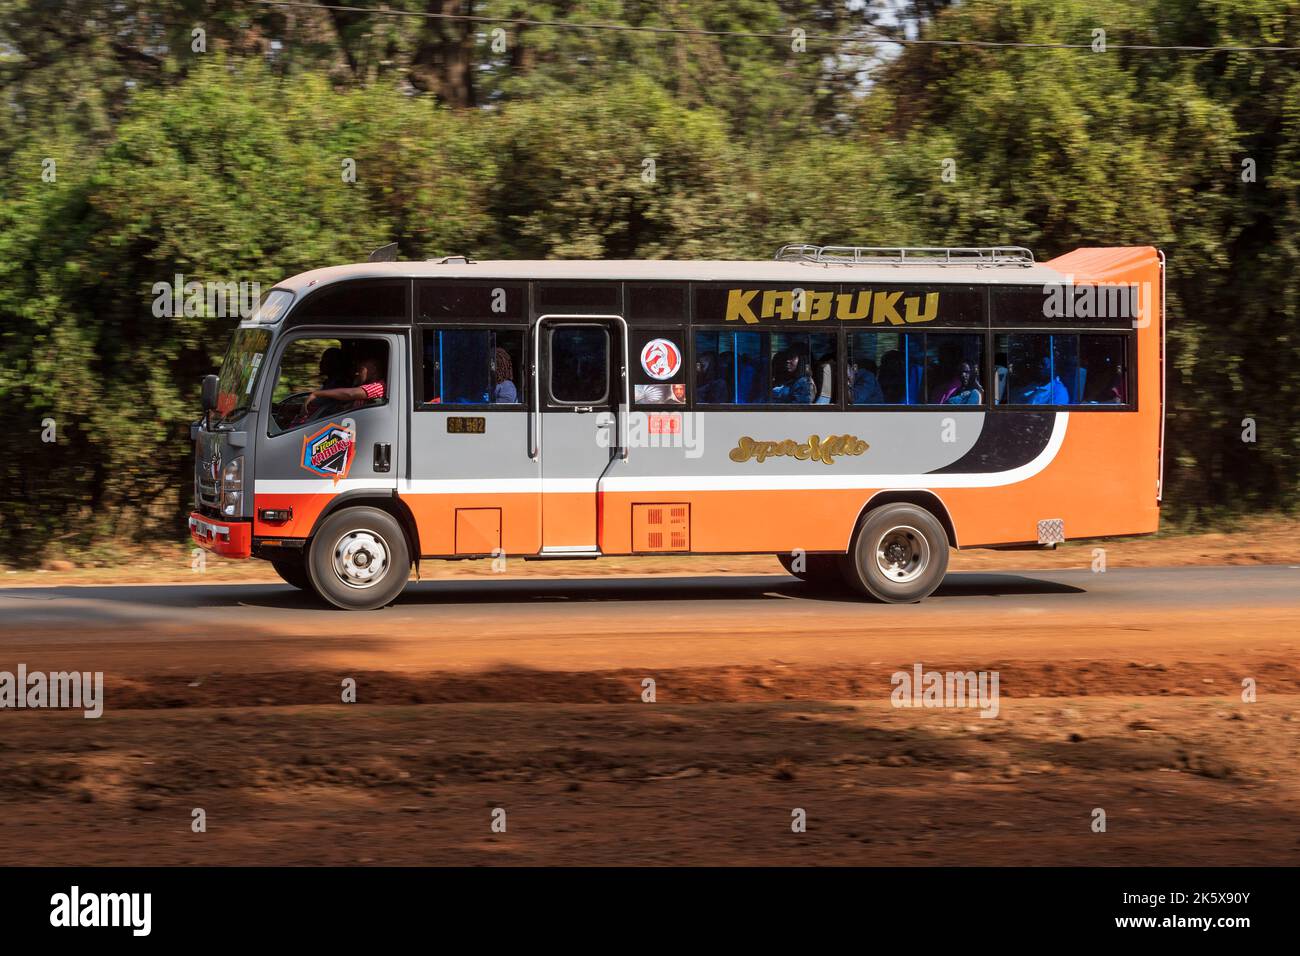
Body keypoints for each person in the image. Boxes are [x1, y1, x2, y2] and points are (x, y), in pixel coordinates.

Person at [306, 354, 386, 413]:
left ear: (373, 370)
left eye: (361, 369)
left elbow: (350, 394)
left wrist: (317, 394)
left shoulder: (379, 386)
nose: (357, 373)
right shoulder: (366, 385)